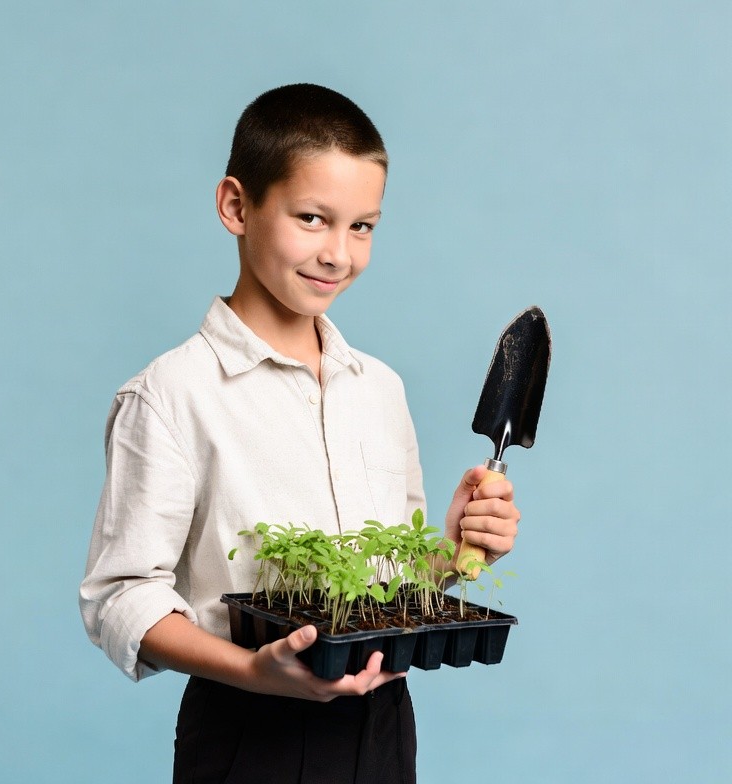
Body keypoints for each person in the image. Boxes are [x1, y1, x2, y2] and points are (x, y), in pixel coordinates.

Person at [79, 83, 520, 784]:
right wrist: (255, 670)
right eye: (312, 218)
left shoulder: (378, 387)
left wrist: (453, 551)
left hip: (382, 726)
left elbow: (376, 586)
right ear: (236, 206)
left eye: (362, 226)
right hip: (249, 730)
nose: (338, 254)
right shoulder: (171, 394)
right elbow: (121, 596)